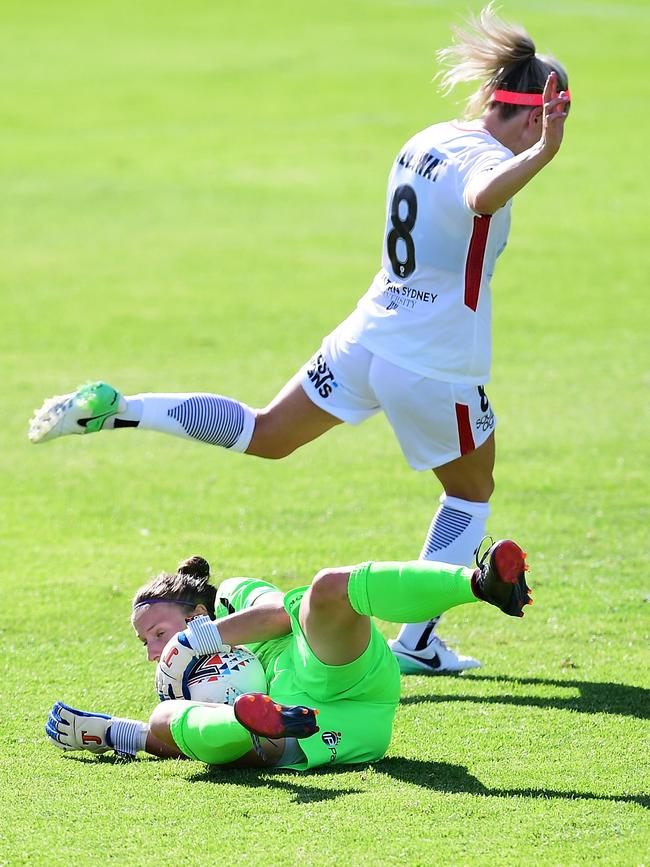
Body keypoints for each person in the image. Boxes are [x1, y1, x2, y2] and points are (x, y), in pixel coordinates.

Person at [29, 5, 568, 674]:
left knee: (267, 431)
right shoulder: (488, 161)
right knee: (469, 493)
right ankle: (417, 641)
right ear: (539, 114)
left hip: (366, 334)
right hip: (430, 359)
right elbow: (482, 197)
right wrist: (543, 154)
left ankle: (123, 408)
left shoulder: (428, 138)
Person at [46, 539, 531, 769]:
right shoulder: (184, 685)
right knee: (170, 713)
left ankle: (481, 584)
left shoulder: (232, 597)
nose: (155, 652)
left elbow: (280, 613)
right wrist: (110, 732)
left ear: (195, 611)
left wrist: (203, 637)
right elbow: (172, 733)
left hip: (328, 666)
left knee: (327, 589)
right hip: (323, 724)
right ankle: (254, 721)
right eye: (146, 644)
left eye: (157, 633)